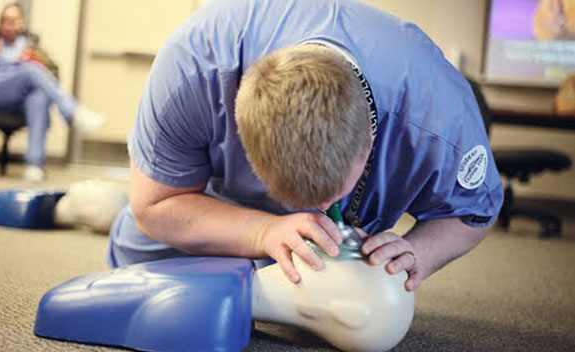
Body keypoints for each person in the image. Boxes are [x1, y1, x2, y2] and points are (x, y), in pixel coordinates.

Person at [107, 0, 504, 292]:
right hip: (219, 204)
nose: (316, 213)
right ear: (240, 132)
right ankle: (83, 203)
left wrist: (419, 252)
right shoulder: (193, 68)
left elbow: (475, 212)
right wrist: (263, 231)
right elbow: (154, 205)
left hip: (342, 232)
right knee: (132, 264)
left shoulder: (439, 116)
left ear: (370, 140)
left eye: (331, 196)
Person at [0, 3, 103, 181]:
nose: (9, 26)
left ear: (22, 24)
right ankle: (72, 112)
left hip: (19, 99)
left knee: (39, 96)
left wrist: (34, 59)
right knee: (30, 70)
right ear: (0, 23)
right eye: (5, 21)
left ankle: (34, 164)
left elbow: (53, 73)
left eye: (14, 21)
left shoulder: (31, 46)